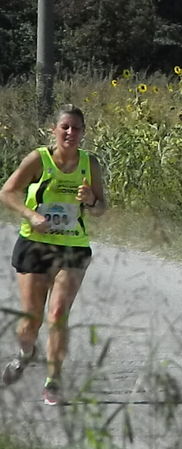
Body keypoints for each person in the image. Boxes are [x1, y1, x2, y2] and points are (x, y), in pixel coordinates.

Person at [0, 104, 106, 405]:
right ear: (54, 130)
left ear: (84, 133)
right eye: (65, 127)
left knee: (58, 313)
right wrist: (31, 215)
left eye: (76, 128)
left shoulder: (90, 163)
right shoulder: (39, 159)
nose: (71, 133)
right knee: (31, 320)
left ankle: (53, 382)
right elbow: (7, 192)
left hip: (73, 245)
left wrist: (91, 199)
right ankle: (26, 354)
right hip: (35, 244)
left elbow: (101, 210)